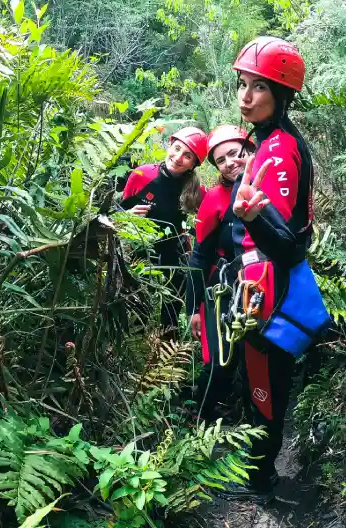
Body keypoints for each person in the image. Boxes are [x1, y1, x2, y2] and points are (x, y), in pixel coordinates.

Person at [220, 36, 318, 503]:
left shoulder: (278, 150)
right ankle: (259, 472)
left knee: (264, 386)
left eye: (258, 87)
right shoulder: (268, 141)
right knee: (260, 381)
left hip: (269, 292)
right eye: (243, 84)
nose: (246, 95)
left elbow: (284, 244)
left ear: (281, 95)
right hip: (261, 287)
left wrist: (253, 217)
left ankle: (261, 481)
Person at [185, 125, 255, 422]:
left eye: (234, 154)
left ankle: (243, 411)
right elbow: (200, 255)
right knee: (221, 359)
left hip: (260, 284)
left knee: (252, 357)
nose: (229, 163)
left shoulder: (272, 185)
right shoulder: (215, 198)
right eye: (220, 160)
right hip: (224, 289)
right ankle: (199, 417)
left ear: (248, 148)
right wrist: (194, 308)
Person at [121, 126, 208, 338]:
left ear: (194, 164)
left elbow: (205, 228)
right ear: (170, 145)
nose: (178, 158)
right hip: (139, 252)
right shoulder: (141, 175)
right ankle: (138, 353)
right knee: (137, 309)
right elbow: (118, 214)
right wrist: (129, 214)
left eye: (187, 156)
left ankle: (166, 357)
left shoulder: (198, 192)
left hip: (176, 256)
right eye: (176, 148)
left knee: (170, 317)